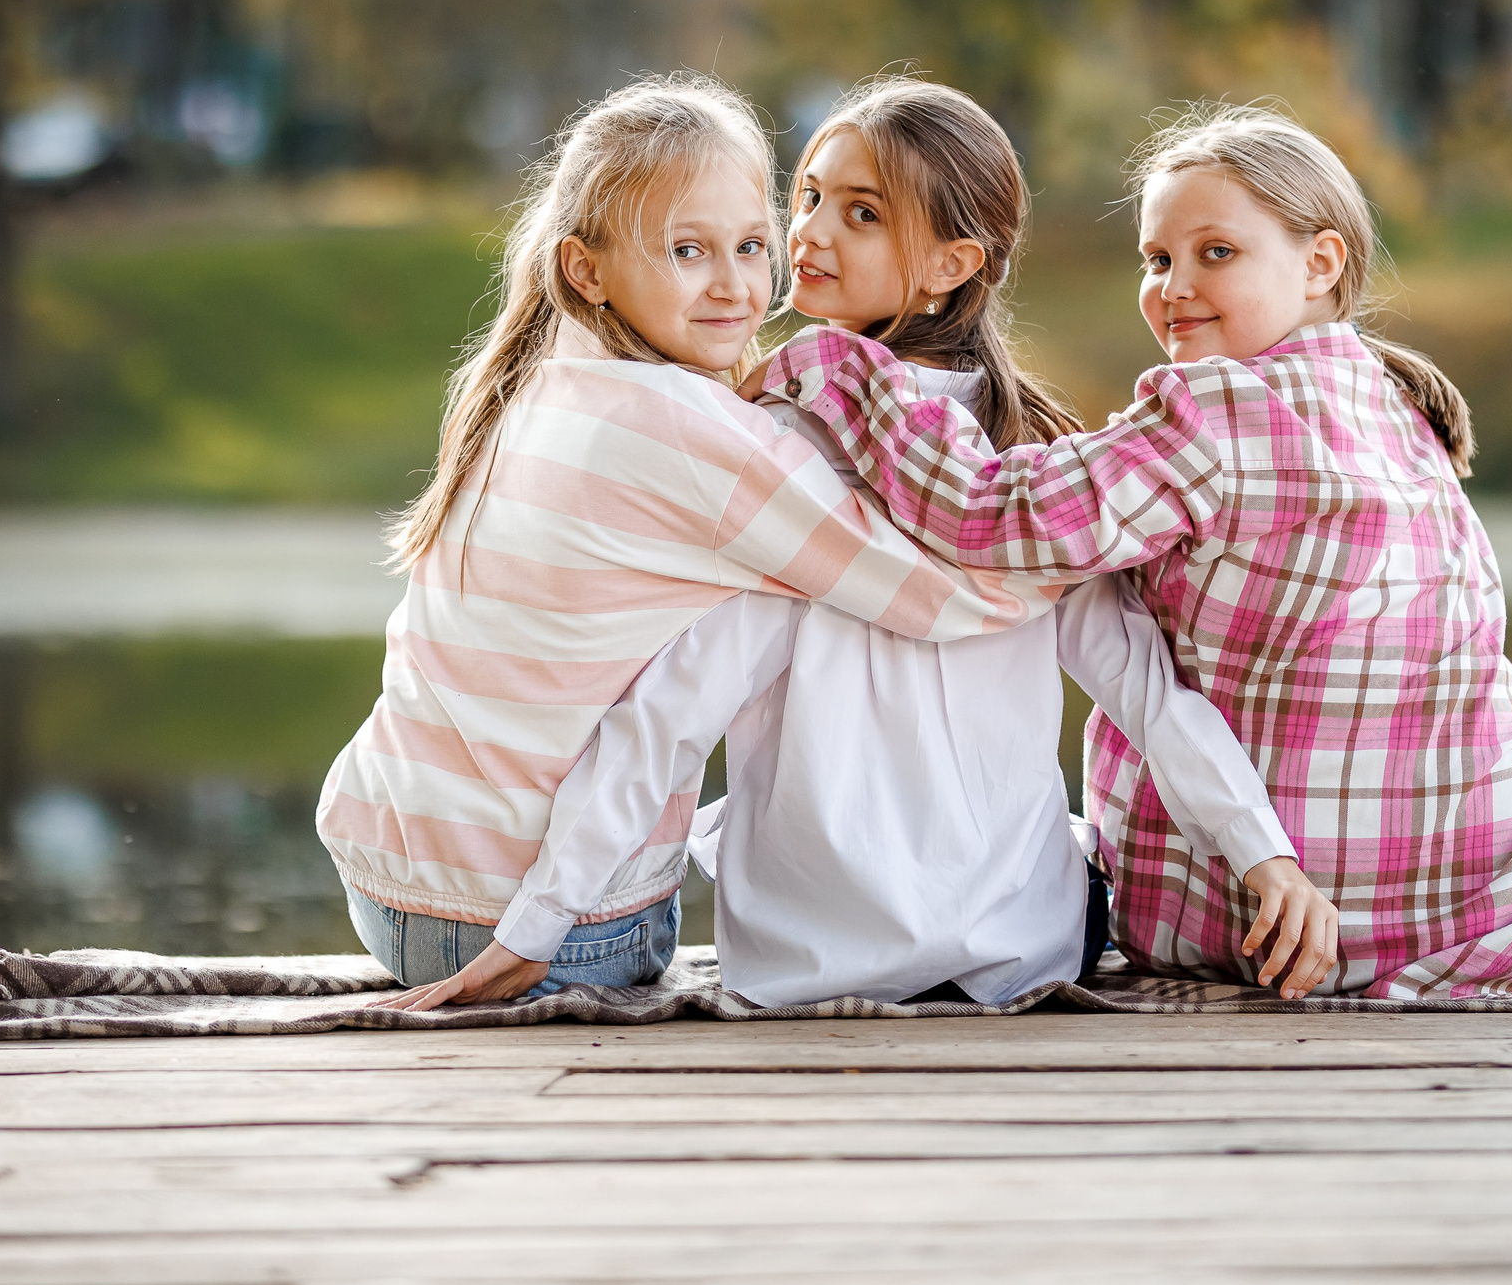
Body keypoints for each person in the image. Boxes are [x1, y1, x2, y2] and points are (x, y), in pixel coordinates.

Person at [398, 79, 1337, 1010]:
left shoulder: (778, 454)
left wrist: (537, 925)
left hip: (809, 959)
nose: (808, 231)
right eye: (806, 196)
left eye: (859, 213)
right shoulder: (1041, 479)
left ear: (949, 263)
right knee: (1077, 842)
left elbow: (670, 709)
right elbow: (1145, 688)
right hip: (1024, 947)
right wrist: (1265, 854)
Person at [761, 102, 1512, 999]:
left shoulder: (1214, 414)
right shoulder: (1395, 402)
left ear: (1321, 261)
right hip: (1494, 894)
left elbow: (992, 516)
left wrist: (837, 367)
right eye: (1157, 259)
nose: (1174, 284)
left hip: (1290, 915)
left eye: (1214, 252)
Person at [317, 72, 1059, 1000]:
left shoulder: (541, 374)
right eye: (686, 250)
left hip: (385, 878)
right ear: (586, 269)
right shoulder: (695, 434)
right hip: (536, 931)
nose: (738, 286)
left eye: (751, 245)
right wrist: (1087, 559)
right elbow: (939, 591)